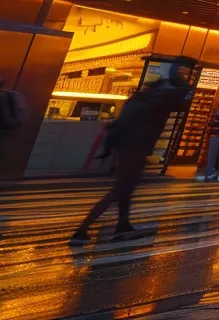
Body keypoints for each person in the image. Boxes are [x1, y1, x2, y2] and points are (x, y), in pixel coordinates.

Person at [71, 64, 194, 245]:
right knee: (120, 190)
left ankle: (123, 224)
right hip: (136, 147)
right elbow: (184, 100)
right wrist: (180, 77)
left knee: (125, 190)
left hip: (126, 146)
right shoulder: (157, 102)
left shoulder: (138, 100)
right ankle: (82, 229)